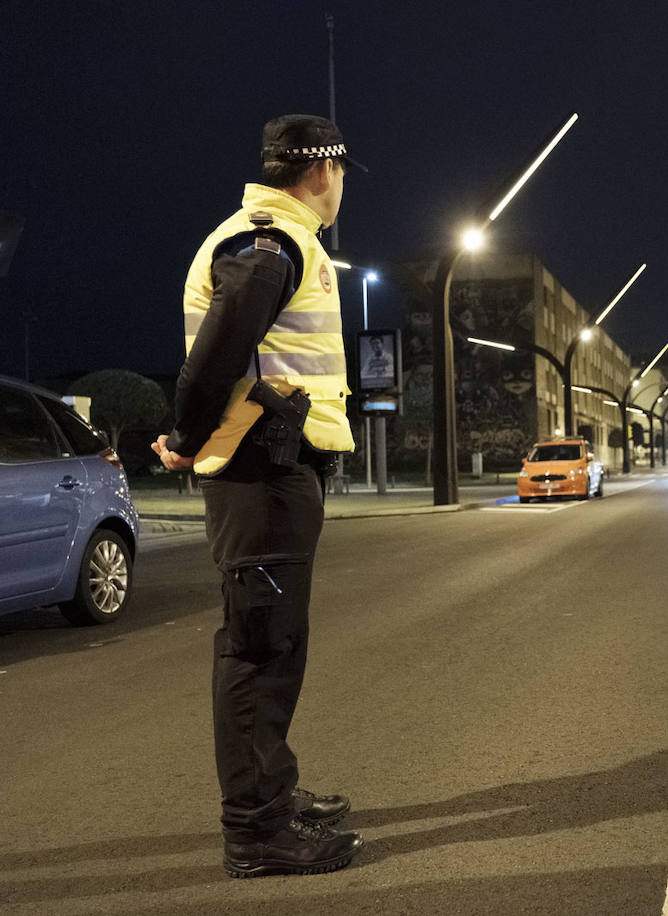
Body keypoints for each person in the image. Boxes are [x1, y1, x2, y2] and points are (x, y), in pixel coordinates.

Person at [152, 114, 364, 878]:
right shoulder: (269, 243)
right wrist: (185, 435)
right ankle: (256, 832)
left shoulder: (273, 237)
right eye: (341, 175)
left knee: (277, 642)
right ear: (322, 172)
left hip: (272, 471)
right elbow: (216, 354)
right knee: (257, 649)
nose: (342, 188)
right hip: (258, 471)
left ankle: (273, 792)